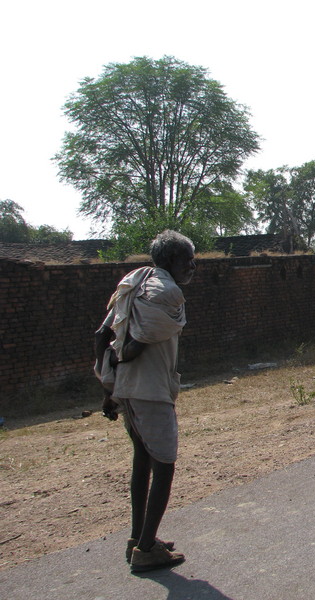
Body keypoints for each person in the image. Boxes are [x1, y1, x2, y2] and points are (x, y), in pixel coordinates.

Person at [94, 230, 196, 572]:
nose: (192, 266)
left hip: (128, 390)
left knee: (143, 459)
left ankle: (138, 538)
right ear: (171, 261)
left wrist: (109, 388)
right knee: (164, 465)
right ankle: (147, 548)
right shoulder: (165, 292)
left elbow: (102, 336)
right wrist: (125, 358)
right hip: (151, 390)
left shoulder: (134, 284)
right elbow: (136, 342)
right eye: (187, 260)